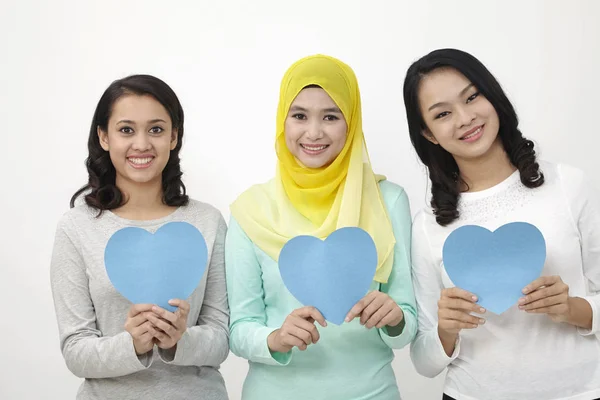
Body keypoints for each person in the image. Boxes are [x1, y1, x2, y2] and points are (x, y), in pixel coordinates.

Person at [404, 48, 600, 400]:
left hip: (580, 392)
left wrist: (574, 309)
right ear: (429, 134)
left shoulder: (569, 185)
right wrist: (446, 331)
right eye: (443, 113)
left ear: (492, 95)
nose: (464, 118)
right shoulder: (427, 226)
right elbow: (423, 360)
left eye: (472, 97)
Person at [225, 54, 417, 400]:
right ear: (283, 121)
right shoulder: (250, 210)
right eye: (299, 116)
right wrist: (276, 338)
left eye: (330, 116)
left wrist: (395, 317)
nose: (313, 132)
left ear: (352, 123)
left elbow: (407, 325)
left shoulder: (388, 201)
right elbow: (239, 328)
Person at [50, 74, 229, 400]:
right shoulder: (76, 228)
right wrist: (131, 343)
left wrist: (180, 339)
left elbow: (221, 337)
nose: (142, 144)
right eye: (126, 130)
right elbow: (75, 349)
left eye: (157, 129)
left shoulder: (208, 222)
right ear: (104, 136)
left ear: (174, 137)